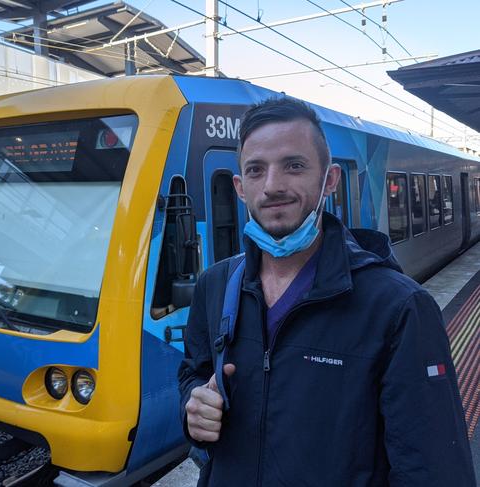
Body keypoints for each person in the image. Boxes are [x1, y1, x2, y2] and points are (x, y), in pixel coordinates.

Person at [178, 97, 476, 486]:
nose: (272, 186)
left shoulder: (399, 308)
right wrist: (193, 405)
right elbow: (193, 375)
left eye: (294, 166)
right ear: (239, 187)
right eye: (256, 170)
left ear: (330, 180)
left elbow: (434, 470)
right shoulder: (214, 286)